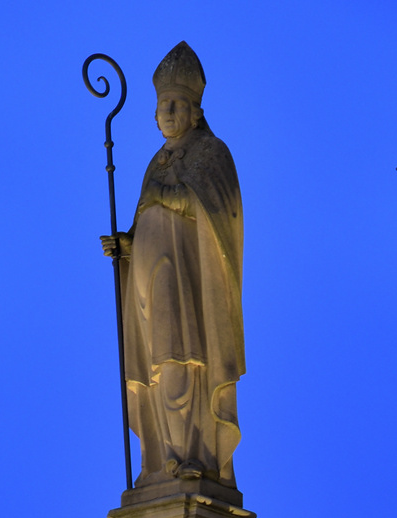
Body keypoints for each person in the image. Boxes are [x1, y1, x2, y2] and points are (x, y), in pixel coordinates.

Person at [101, 43, 243, 487]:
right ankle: (161, 459)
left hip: (188, 284)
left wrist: (166, 197)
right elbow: (148, 221)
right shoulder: (154, 164)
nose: (167, 112)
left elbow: (219, 214)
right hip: (150, 281)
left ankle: (192, 453)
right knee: (157, 368)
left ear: (196, 112)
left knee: (184, 360)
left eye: (177, 104)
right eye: (163, 105)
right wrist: (126, 246)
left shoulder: (211, 154)